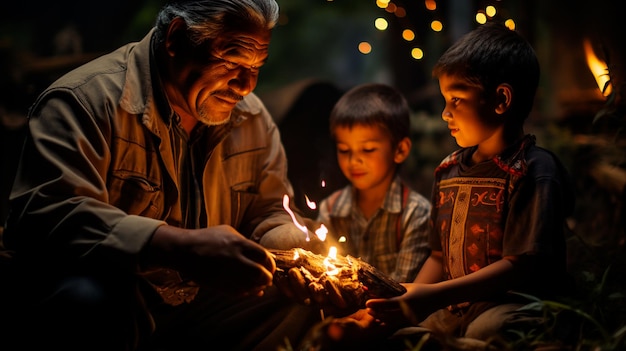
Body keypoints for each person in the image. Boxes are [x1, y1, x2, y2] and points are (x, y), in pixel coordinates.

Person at [0, 1, 327, 350]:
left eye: (256, 67)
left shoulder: (252, 119)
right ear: (176, 38)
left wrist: (292, 250)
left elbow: (269, 210)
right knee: (96, 295)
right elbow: (49, 215)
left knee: (297, 300)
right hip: (111, 301)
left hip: (198, 305)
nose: (245, 85)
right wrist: (178, 247)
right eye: (231, 61)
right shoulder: (85, 101)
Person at [311, 22, 576, 350]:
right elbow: (438, 256)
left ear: (501, 99)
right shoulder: (448, 170)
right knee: (399, 331)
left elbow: (518, 267)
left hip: (515, 303)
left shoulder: (532, 171)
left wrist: (432, 297)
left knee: (487, 331)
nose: (445, 113)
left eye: (456, 100)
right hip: (453, 305)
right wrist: (410, 302)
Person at [316, 83, 431, 284]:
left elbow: (401, 290)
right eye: (344, 150)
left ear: (400, 150)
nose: (353, 161)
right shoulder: (331, 210)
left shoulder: (416, 214)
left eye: (368, 150)